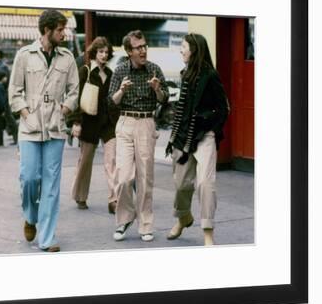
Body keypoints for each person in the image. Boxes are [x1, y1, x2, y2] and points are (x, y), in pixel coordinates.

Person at [8, 9, 79, 252]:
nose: (64, 33)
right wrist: (26, 114)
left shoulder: (67, 58)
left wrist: (65, 109)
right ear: (47, 30)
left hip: (56, 129)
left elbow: (74, 91)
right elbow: (14, 92)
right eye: (60, 29)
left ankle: (47, 238)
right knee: (29, 178)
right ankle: (30, 216)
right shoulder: (24, 55)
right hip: (29, 129)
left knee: (51, 185)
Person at [165, 33, 229, 246]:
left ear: (194, 50)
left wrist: (211, 128)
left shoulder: (210, 75)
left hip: (205, 136)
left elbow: (223, 108)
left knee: (205, 183)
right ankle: (183, 218)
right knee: (181, 184)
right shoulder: (185, 74)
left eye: (183, 47)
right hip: (183, 138)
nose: (181, 50)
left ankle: (208, 232)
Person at [107, 30, 169, 242]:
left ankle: (145, 224)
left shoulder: (154, 70)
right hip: (125, 122)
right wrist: (121, 91)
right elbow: (111, 101)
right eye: (138, 47)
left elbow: (164, 99)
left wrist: (157, 89)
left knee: (145, 178)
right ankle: (124, 219)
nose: (143, 50)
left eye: (144, 46)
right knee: (124, 177)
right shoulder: (120, 71)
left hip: (145, 122)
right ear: (128, 51)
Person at [67, 37, 119, 213]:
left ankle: (114, 200)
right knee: (85, 161)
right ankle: (80, 196)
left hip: (108, 123)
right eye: (101, 52)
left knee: (112, 160)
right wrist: (76, 122)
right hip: (89, 122)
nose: (104, 55)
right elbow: (76, 97)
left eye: (106, 52)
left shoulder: (111, 74)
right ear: (94, 53)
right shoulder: (86, 71)